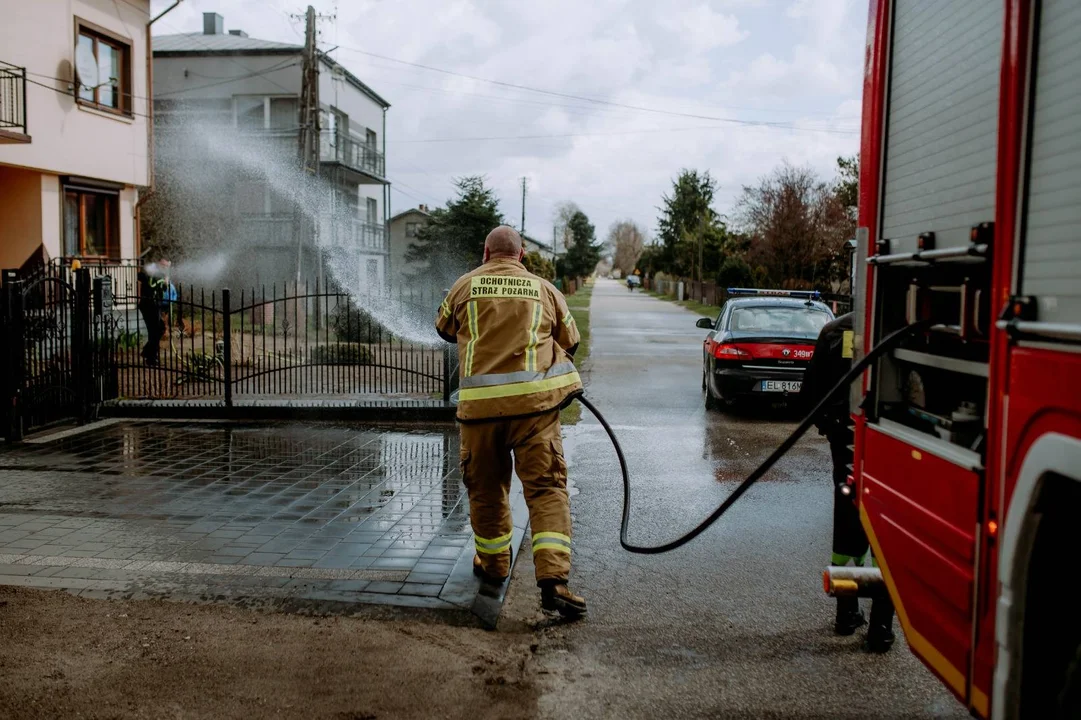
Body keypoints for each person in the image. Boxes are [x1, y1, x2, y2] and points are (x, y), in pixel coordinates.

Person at [435, 225, 587, 618]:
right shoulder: (544, 289)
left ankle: (494, 565)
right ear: (521, 256)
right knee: (546, 490)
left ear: (486, 253)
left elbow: (444, 329)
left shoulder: (463, 286)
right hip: (534, 413)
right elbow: (570, 339)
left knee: (485, 491)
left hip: (480, 415)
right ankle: (554, 582)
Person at [802, 311, 896, 652]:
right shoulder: (899, 325)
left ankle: (846, 614)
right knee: (885, 534)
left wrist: (831, 430)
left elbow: (810, 393)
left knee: (846, 529)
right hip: (894, 445)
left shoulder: (833, 330)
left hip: (847, 447)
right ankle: (881, 629)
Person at [137, 264, 167, 366]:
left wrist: (165, 280)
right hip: (149, 307)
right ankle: (151, 357)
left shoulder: (157, 278)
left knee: (158, 329)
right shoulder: (148, 278)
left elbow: (164, 288)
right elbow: (153, 286)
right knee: (155, 330)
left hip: (154, 306)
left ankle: (148, 353)